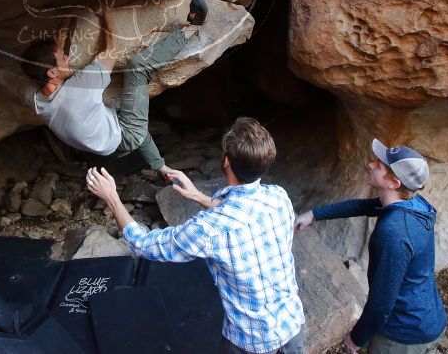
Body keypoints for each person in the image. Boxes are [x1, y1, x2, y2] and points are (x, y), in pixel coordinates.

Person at [87, 117, 305, 354]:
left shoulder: (209, 229)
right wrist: (198, 196)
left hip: (250, 341)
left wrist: (112, 197)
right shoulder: (279, 197)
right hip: (291, 324)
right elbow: (243, 217)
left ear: (226, 162)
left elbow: (144, 245)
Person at [20, 0, 208, 177]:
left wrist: (70, 15)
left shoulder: (33, 96)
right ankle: (194, 27)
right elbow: (111, 51)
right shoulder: (80, 88)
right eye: (63, 58)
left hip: (103, 144)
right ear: (51, 73)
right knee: (137, 68)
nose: (68, 57)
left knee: (129, 115)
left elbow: (54, 54)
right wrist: (105, 15)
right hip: (123, 137)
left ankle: (161, 167)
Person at [294, 140, 448, 354]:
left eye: (379, 165)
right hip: (429, 315)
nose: (370, 164)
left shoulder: (393, 233)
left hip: (403, 332)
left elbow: (381, 302)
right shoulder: (413, 205)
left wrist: (357, 338)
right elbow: (361, 206)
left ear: (394, 182)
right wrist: (314, 215)